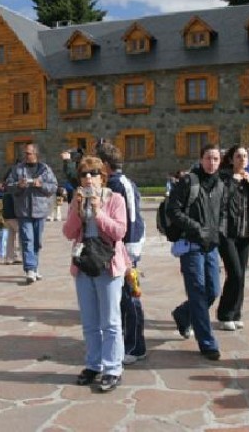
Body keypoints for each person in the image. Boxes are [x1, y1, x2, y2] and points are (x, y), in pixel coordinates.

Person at [62, 156, 130, 392]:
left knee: (110, 321)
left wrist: (99, 213)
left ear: (103, 176)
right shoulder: (77, 199)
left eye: (93, 173)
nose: (88, 178)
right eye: (84, 174)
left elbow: (120, 231)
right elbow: (68, 233)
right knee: (89, 320)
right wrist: (78, 213)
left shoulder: (116, 199)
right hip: (84, 264)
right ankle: (93, 364)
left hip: (108, 264)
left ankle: (112, 368)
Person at [166, 144, 225, 360]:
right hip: (191, 245)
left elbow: (223, 212)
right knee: (198, 293)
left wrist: (219, 231)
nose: (212, 162)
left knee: (213, 291)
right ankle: (207, 342)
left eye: (216, 159)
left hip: (211, 246)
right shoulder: (188, 182)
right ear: (201, 159)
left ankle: (183, 313)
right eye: (208, 158)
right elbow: (173, 210)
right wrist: (197, 228)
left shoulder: (219, 184)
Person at [97, 142, 147, 365]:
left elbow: (126, 220)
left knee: (129, 298)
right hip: (128, 245)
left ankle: (136, 346)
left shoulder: (117, 186)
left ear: (106, 165)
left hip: (125, 247)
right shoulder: (125, 183)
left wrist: (126, 252)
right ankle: (124, 341)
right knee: (122, 298)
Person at [216, 145, 249, 331]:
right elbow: (221, 200)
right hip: (226, 233)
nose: (242, 159)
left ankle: (236, 312)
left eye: (245, 156)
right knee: (235, 273)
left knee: (241, 276)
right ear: (231, 159)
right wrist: (234, 180)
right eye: (238, 156)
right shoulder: (223, 178)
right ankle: (224, 314)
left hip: (244, 234)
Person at [5, 143, 58, 284]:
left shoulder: (45, 169)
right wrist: (18, 185)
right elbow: (8, 186)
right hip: (23, 211)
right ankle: (29, 269)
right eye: (25, 153)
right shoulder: (17, 169)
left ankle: (35, 267)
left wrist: (41, 185)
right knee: (27, 240)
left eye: (28, 153)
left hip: (40, 211)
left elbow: (53, 187)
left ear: (36, 154)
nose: (26, 156)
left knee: (36, 242)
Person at [2, 188, 22, 265]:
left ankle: (9, 257)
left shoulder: (6, 192)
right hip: (14, 216)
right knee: (22, 234)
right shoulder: (14, 191)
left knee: (10, 236)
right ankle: (21, 256)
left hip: (7, 216)